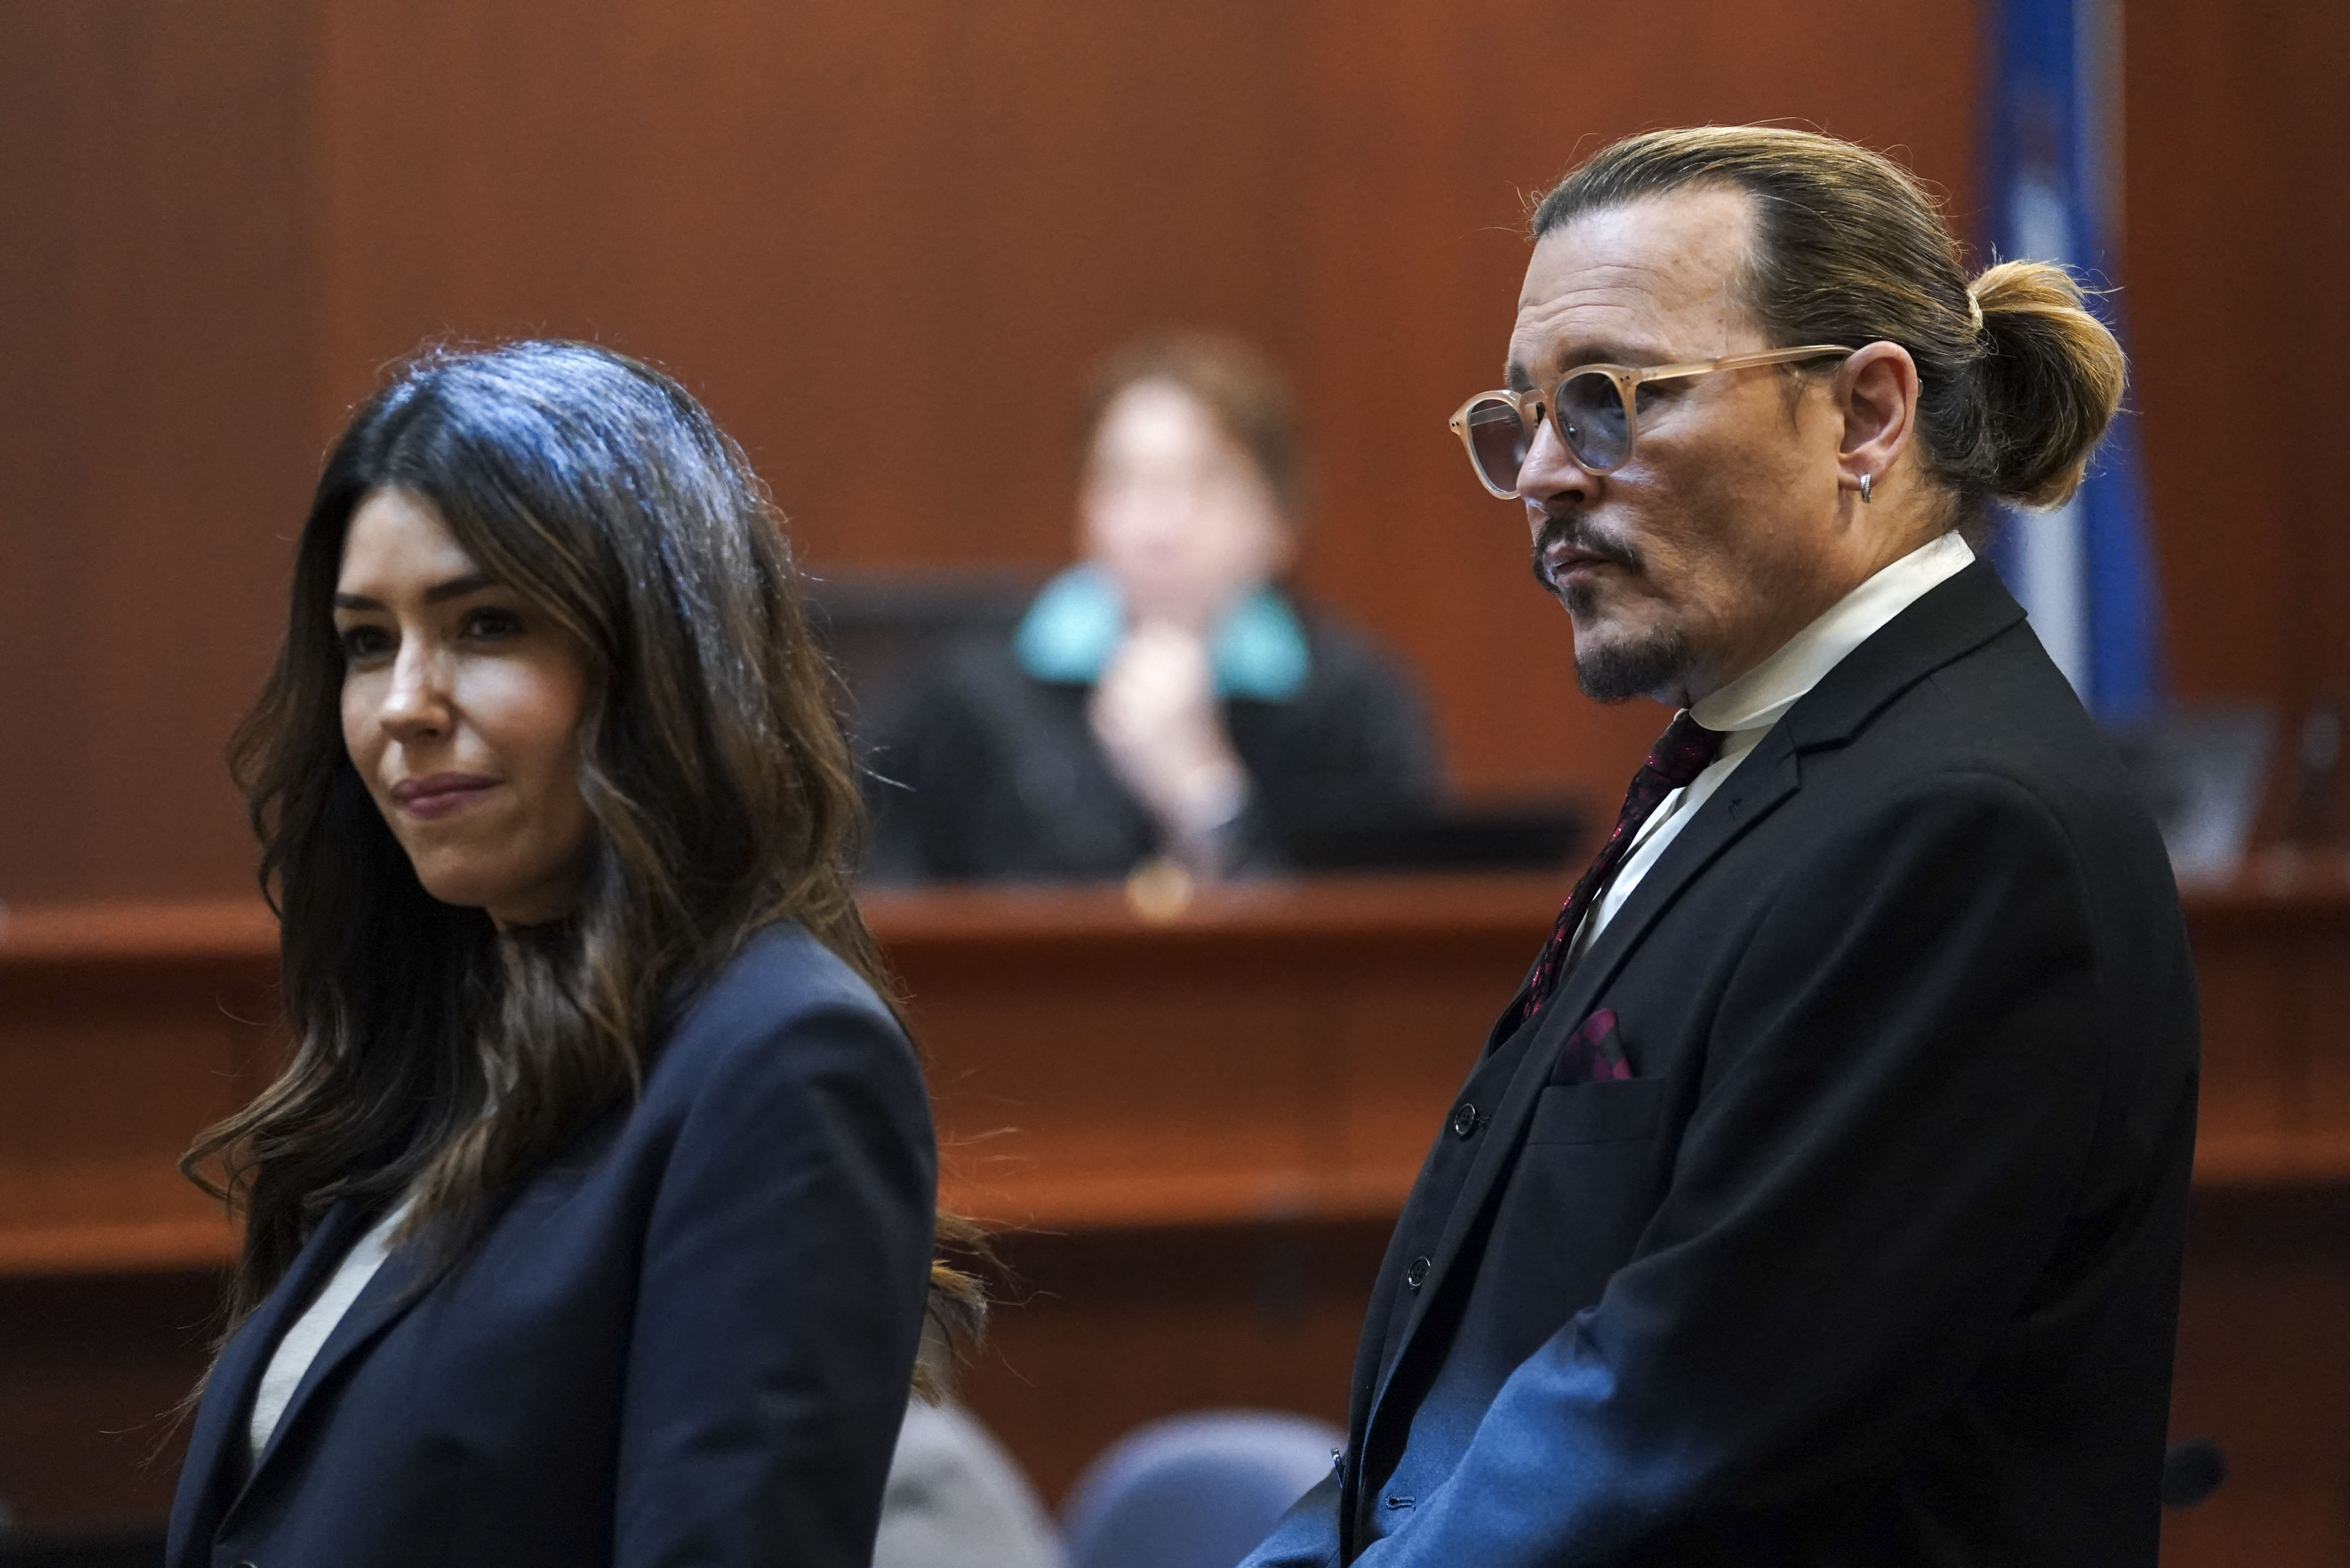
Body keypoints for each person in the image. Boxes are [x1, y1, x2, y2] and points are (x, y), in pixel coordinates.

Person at [1243, 127, 2198, 1566]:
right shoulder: (1761, 755)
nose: (1544, 476)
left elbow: (1670, 1422)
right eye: (1525, 417)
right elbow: (1489, 1373)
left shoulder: (1962, 824)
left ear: (1866, 416)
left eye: (1611, 401)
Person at [167, 341, 966, 1568]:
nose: (405, 703)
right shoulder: (444, 1043)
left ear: (658, 663)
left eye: (486, 625)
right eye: (368, 642)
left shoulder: (782, 1058)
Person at [862, 331, 1437, 883]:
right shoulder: (966, 693)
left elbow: (1378, 929)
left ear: (1280, 522)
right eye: (1121, 481)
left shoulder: (1351, 704)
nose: (1159, 527)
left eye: (1206, 483)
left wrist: (1206, 796)